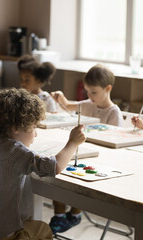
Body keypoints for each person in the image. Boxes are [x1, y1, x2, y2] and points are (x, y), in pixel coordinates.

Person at [0, 88, 86, 239]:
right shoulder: (15, 151)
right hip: (1, 233)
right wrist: (72, 142)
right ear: (15, 128)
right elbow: (54, 167)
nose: (35, 133)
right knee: (43, 229)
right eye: (33, 127)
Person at [49, 64, 123, 234]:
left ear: (108, 89)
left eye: (94, 92)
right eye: (87, 91)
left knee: (73, 177)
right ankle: (59, 215)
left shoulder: (114, 112)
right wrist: (60, 98)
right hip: (82, 154)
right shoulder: (89, 104)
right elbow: (68, 105)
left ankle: (75, 213)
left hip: (99, 160)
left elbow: (115, 143)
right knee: (57, 169)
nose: (89, 96)